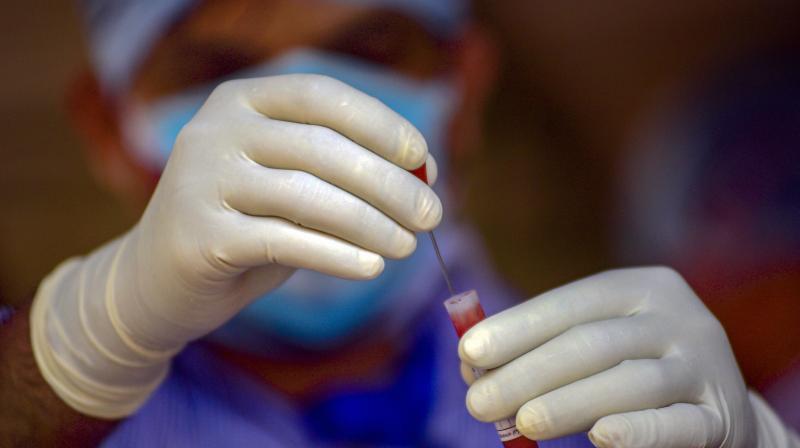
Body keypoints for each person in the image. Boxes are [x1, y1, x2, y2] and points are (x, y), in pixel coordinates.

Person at [0, 1, 797, 447]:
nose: (312, 124)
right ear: (107, 133)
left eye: (370, 46)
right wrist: (86, 343)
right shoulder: (78, 401)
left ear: (470, 84)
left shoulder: (607, 406)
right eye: (216, 70)